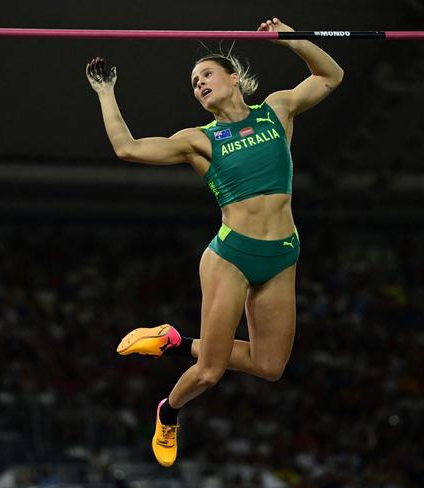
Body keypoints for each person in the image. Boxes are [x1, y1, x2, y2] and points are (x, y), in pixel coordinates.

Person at [85, 18, 344, 467]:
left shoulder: (277, 110)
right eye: (193, 82)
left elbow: (331, 76)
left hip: (282, 255)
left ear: (234, 79)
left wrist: (290, 37)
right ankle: (168, 413)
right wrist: (106, 92)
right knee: (210, 372)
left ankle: (172, 340)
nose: (198, 84)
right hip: (232, 257)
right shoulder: (199, 140)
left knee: (270, 367)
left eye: (206, 74)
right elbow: (127, 149)